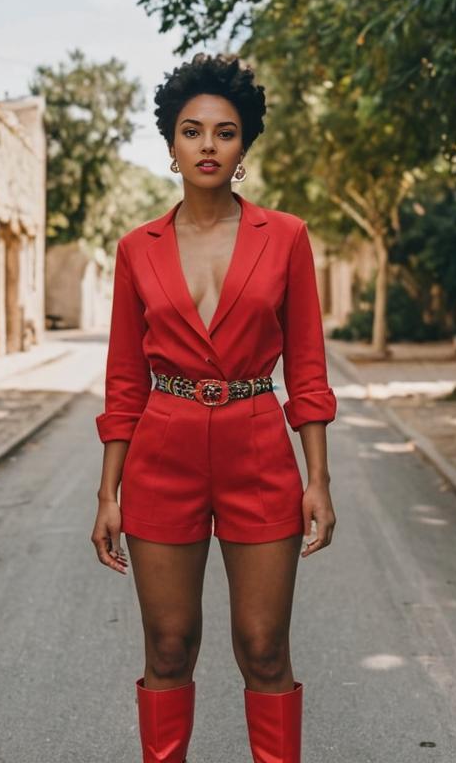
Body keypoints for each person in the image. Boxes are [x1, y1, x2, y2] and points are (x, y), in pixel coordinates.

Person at [92, 53, 337, 763]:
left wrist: (316, 478)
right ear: (170, 145)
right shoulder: (136, 249)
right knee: (169, 646)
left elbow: (309, 368)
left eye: (224, 132)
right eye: (191, 131)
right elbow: (124, 380)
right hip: (161, 450)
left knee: (264, 648)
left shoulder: (285, 237)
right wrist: (108, 491)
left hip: (257, 443)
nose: (207, 145)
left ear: (243, 147)